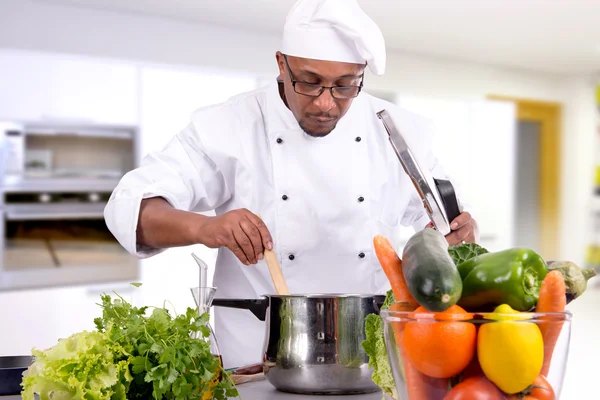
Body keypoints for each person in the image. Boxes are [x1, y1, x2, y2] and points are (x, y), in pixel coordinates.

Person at [104, 0, 479, 369]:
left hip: (371, 357)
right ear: (281, 64)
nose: (325, 104)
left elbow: (445, 225)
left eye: (345, 86)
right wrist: (205, 227)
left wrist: (456, 236)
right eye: (309, 82)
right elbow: (131, 210)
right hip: (257, 361)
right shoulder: (229, 126)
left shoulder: (397, 130)